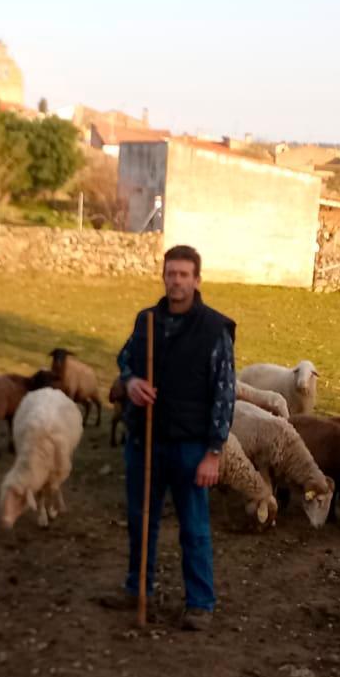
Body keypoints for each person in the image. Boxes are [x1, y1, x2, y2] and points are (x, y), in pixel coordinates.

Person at [103, 244, 236, 630]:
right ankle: (137, 589)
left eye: (183, 274)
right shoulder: (146, 321)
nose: (175, 281)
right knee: (140, 521)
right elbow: (126, 360)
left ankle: (199, 602)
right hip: (145, 441)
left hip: (191, 445)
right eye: (170, 273)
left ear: (196, 280)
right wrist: (130, 383)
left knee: (194, 526)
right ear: (163, 276)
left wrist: (214, 452)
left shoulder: (214, 329)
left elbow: (224, 392)